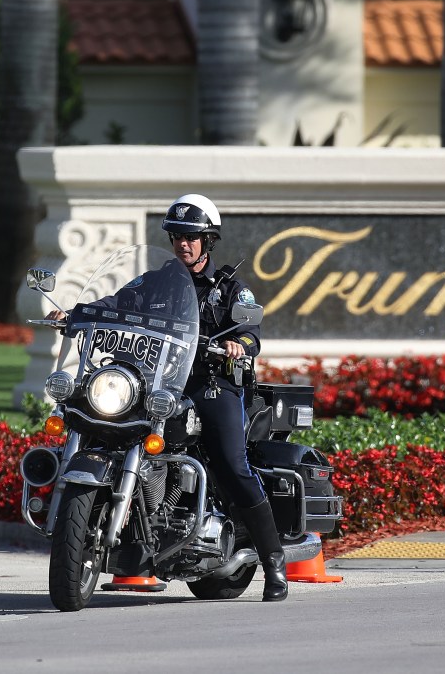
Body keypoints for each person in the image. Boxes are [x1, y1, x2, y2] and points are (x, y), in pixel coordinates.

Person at [47, 194, 288, 602]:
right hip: (158, 382)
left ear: (208, 240)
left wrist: (240, 345)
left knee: (232, 462)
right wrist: (75, 314)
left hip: (211, 384)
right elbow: (114, 304)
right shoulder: (155, 281)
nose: (183, 244)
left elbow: (251, 334)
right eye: (177, 236)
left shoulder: (230, 289)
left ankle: (274, 563)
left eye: (192, 237)